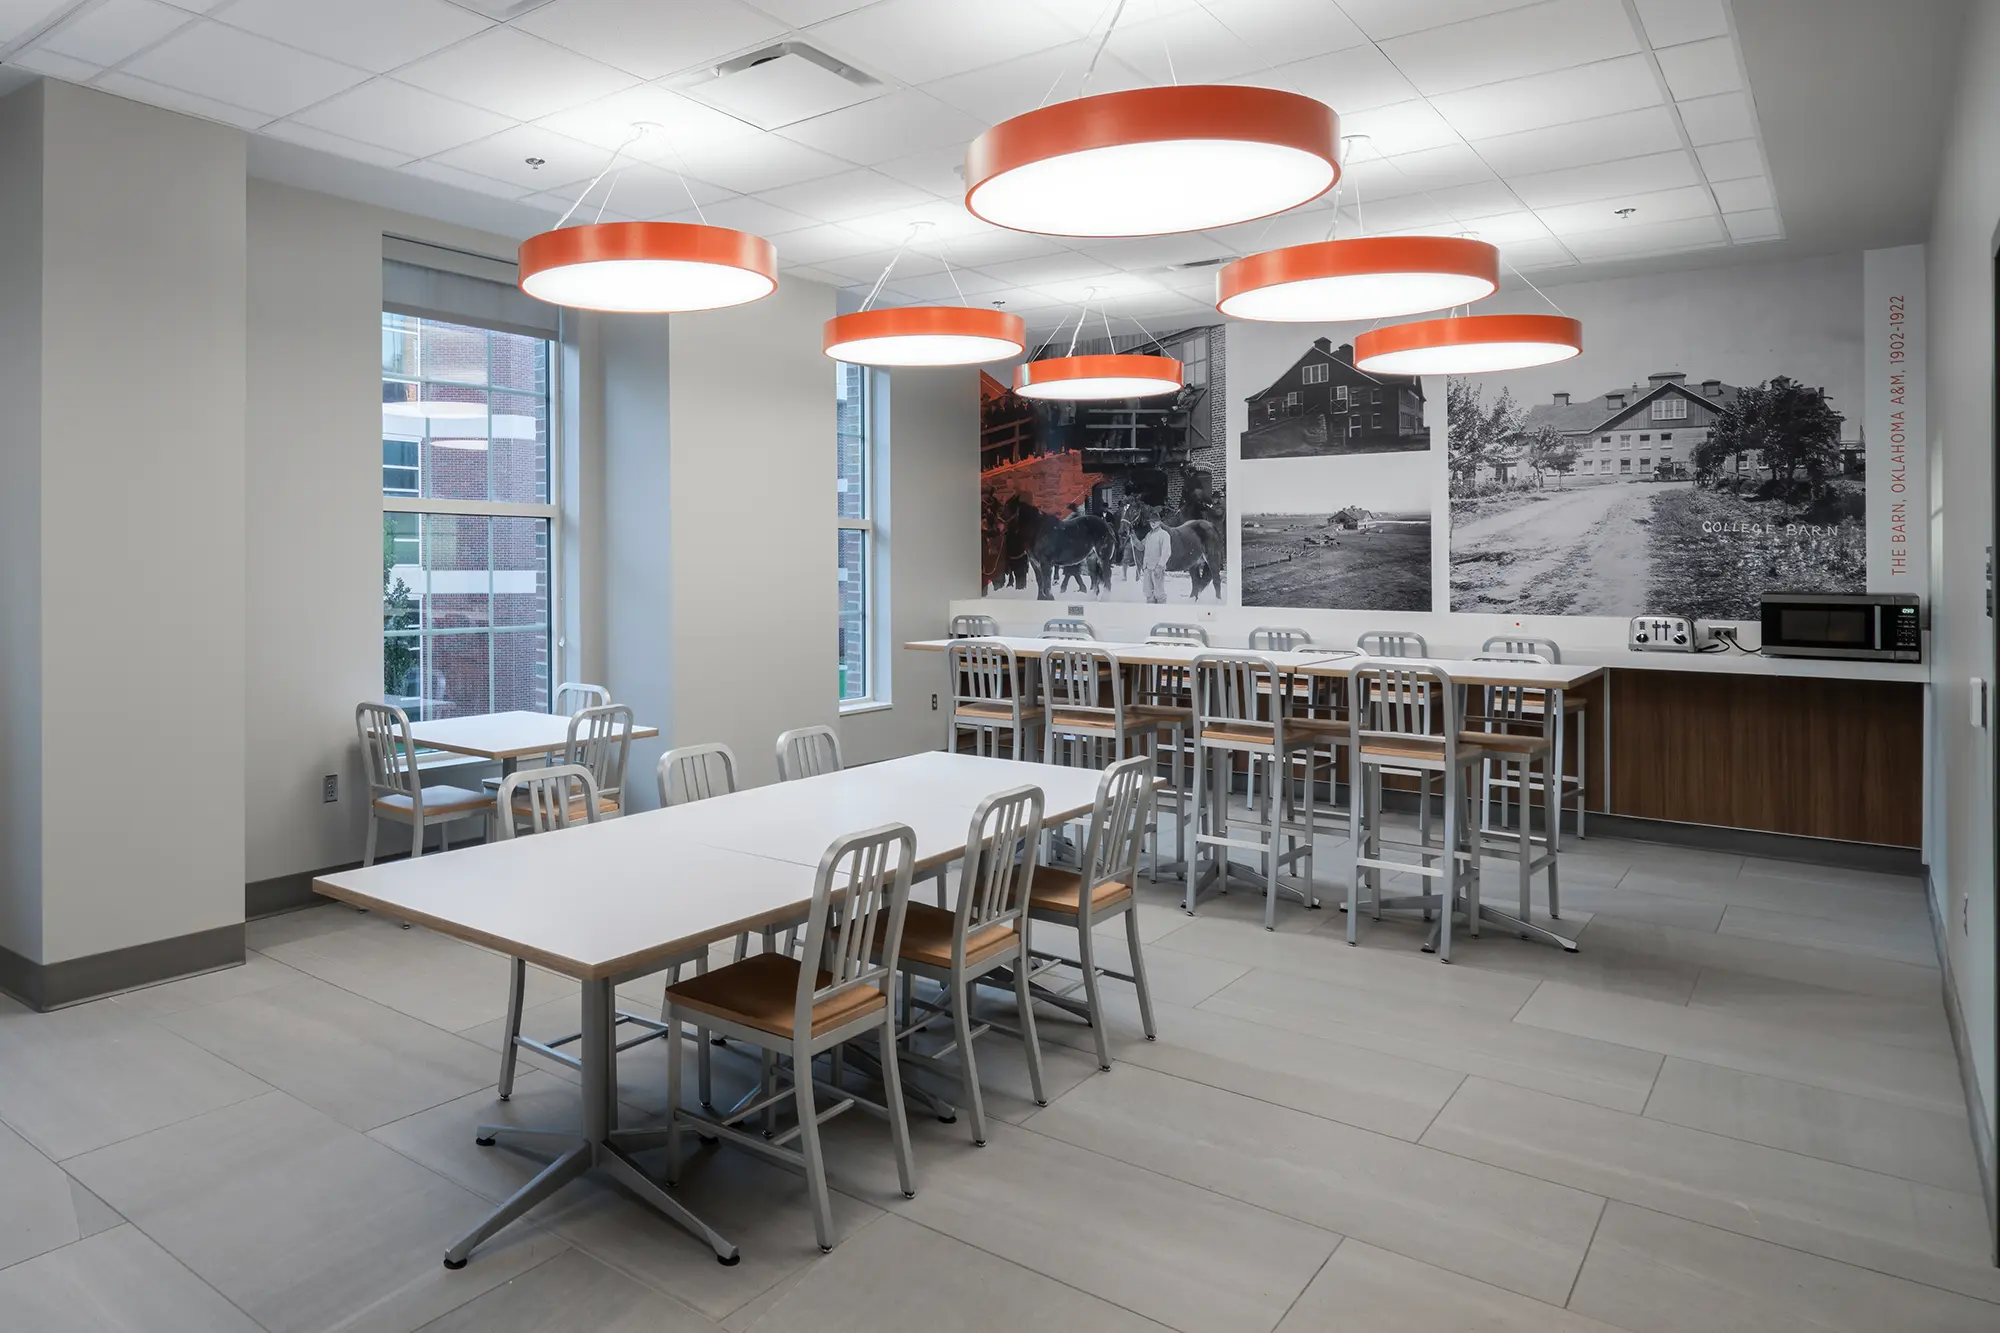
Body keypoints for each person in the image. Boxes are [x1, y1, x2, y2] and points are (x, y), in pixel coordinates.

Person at [1138, 510, 1172, 604]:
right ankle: (1150, 612)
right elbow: (1141, 547)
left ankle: (1160, 612)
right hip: (1147, 567)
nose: (1153, 523)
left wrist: (1160, 566)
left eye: (1155, 521)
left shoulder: (1164, 535)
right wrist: (1133, 538)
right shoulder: (1149, 535)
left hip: (1157, 568)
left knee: (1159, 592)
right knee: (1148, 592)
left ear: (1159, 522)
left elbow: (1166, 552)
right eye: (1151, 521)